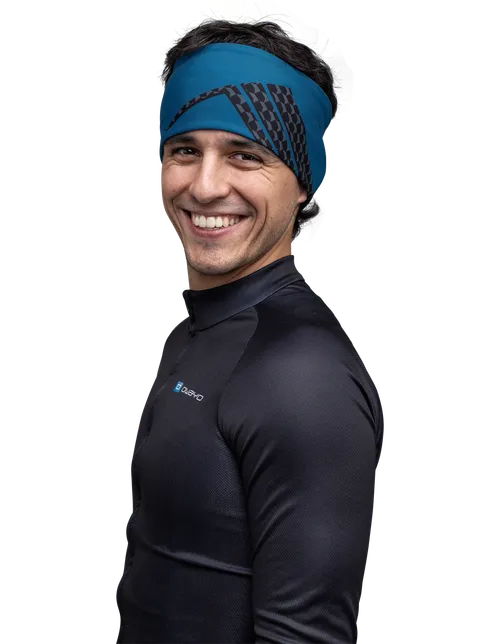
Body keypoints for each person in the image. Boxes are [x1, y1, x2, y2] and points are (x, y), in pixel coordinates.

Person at [115, 16, 383, 644]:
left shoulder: (299, 373)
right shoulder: (205, 327)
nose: (205, 187)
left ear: (304, 183)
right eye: (185, 150)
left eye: (246, 155)